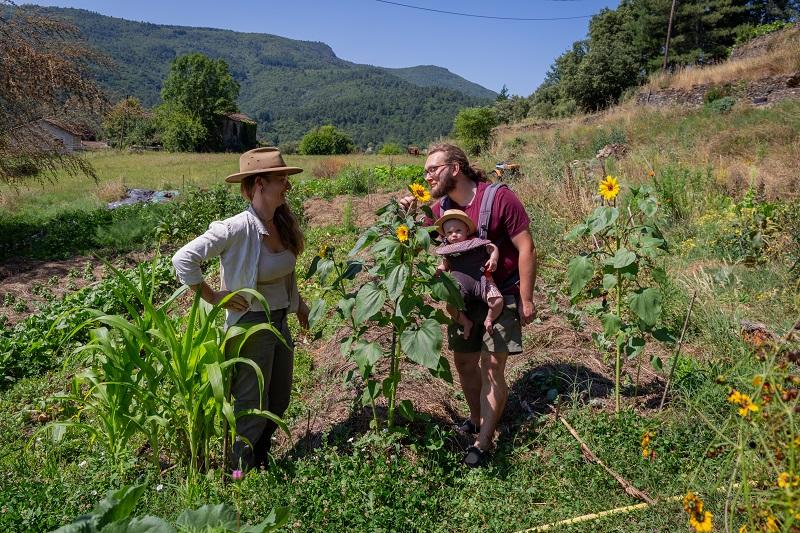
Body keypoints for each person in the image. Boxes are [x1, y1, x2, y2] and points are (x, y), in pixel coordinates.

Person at [172, 147, 310, 471]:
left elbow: (286, 272)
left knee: (278, 400)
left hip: (279, 321)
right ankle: (239, 473)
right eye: (282, 179)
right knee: (251, 405)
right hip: (250, 325)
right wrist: (211, 295)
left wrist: (299, 304)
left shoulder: (281, 223)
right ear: (260, 183)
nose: (287, 186)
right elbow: (183, 259)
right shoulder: (235, 228)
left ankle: (259, 458)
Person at [403, 143, 537, 467]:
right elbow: (422, 240)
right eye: (424, 172)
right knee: (464, 363)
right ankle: (476, 418)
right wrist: (410, 214)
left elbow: (526, 247)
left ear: (455, 168)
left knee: (492, 368)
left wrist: (527, 299)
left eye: (432, 169)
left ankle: (484, 440)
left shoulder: (499, 198)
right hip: (462, 301)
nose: (427, 176)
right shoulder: (441, 209)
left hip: (499, 296)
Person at [434, 209, 503, 339]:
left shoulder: (476, 243)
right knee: (451, 307)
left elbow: (492, 247)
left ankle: (489, 319)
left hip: (482, 280)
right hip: (460, 285)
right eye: (449, 232)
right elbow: (445, 264)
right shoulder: (448, 251)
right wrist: (439, 270)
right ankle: (466, 322)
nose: (454, 235)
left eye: (458, 231)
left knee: (497, 301)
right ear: (445, 235)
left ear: (466, 230)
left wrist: (493, 259)